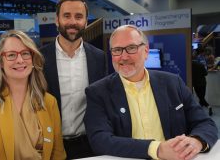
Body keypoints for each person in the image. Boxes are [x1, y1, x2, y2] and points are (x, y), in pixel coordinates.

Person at [84, 25, 218, 160]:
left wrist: (196, 141)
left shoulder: (173, 83)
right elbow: (100, 140)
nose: (123, 57)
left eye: (131, 48)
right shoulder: (98, 92)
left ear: (146, 51)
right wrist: (156, 149)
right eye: (117, 50)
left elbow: (205, 123)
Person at [0, 30, 66, 160]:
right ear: (1, 62)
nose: (20, 60)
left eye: (25, 53)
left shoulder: (49, 102)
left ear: (33, 59)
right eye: (11, 55)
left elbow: (58, 155)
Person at [40, 0, 107, 159]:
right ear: (57, 20)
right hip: (50, 145)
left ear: (85, 21)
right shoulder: (39, 58)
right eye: (66, 16)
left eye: (79, 16)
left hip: (89, 144)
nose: (72, 22)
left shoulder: (99, 57)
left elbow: (103, 102)